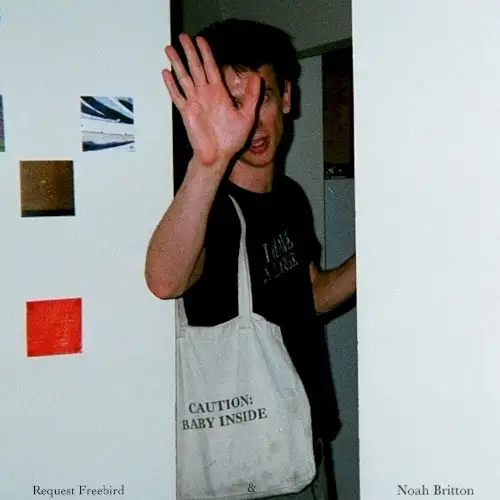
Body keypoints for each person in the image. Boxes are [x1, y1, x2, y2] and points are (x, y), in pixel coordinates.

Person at [145, 18, 356, 500]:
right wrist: (209, 162)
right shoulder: (207, 206)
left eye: (262, 98)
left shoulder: (290, 198)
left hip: (303, 438)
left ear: (287, 97)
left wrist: (384, 251)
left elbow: (309, 296)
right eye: (233, 105)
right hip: (242, 459)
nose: (252, 123)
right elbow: (164, 280)